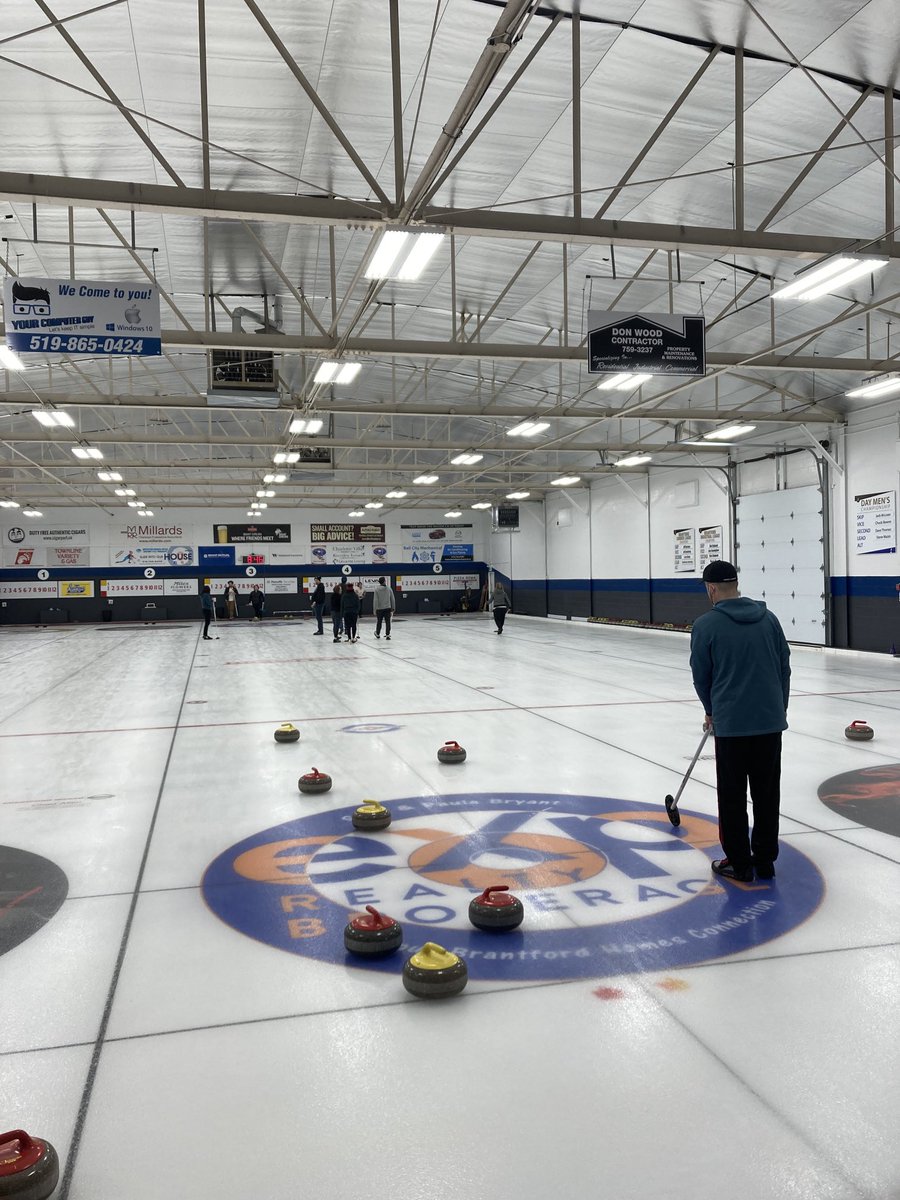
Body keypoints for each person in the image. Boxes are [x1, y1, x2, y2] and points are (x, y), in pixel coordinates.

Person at [690, 560, 791, 883]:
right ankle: (765, 860)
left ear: (711, 588)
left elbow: (701, 676)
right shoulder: (769, 619)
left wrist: (710, 710)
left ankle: (739, 863)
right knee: (767, 794)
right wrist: (778, 709)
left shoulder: (706, 625)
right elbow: (784, 668)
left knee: (732, 796)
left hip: (732, 724)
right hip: (769, 722)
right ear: (736, 584)